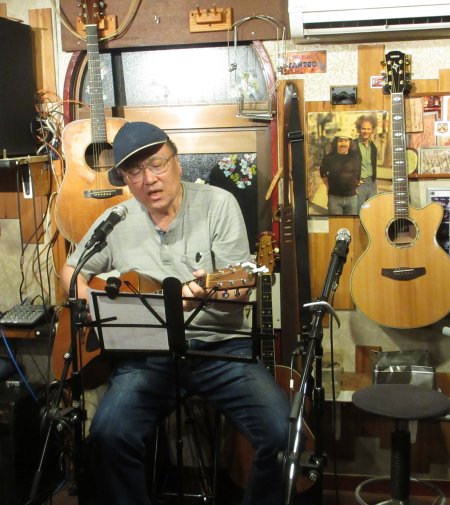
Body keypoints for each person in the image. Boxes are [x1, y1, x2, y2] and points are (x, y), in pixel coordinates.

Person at [60, 121, 289, 505]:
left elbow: (238, 290)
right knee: (108, 434)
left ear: (177, 161)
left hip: (220, 349)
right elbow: (71, 270)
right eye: (135, 171)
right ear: (125, 179)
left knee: (281, 433)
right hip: (147, 355)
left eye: (157, 164)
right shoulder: (117, 218)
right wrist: (92, 306)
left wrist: (208, 295)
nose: (149, 179)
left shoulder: (219, 204)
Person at [319, 134, 361, 215]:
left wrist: (355, 186)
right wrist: (328, 186)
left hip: (352, 199)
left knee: (351, 223)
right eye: (340, 141)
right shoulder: (328, 158)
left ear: (350, 143)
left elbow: (358, 174)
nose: (343, 144)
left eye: (346, 141)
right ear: (336, 143)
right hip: (334, 199)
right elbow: (323, 173)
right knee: (336, 223)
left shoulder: (355, 157)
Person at [354, 114, 379, 211]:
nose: (366, 131)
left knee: (372, 211)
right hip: (359, 184)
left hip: (372, 183)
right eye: (363, 128)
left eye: (369, 129)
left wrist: (374, 181)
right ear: (359, 129)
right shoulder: (353, 145)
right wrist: (353, 182)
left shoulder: (373, 147)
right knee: (357, 212)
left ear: (372, 130)